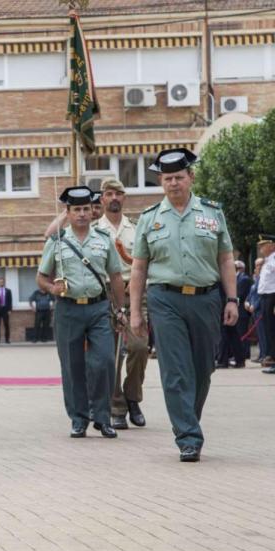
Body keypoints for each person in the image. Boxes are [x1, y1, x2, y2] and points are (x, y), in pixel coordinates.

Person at [129, 148, 238, 462]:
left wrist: (232, 299)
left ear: (190, 178)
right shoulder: (150, 219)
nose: (173, 183)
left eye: (178, 177)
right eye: (167, 179)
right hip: (165, 300)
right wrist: (137, 312)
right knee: (176, 371)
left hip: (206, 299)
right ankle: (188, 437)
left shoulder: (212, 212)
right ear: (161, 182)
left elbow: (226, 258)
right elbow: (138, 268)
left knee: (203, 369)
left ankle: (188, 419)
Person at [38, 186, 125, 439]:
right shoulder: (57, 242)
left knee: (105, 361)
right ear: (68, 212)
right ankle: (78, 419)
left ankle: (102, 416)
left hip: (98, 308)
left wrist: (121, 309)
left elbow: (116, 276)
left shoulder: (103, 238)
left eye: (86, 209)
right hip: (68, 309)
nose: (82, 214)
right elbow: (41, 278)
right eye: (77, 209)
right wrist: (52, 288)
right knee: (72, 366)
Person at [95, 179, 150, 430]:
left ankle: (132, 397)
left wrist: (134, 286)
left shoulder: (136, 229)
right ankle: (117, 406)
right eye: (109, 193)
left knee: (139, 347)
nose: (114, 197)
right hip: (104, 295)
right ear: (102, 199)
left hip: (133, 292)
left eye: (119, 193)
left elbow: (147, 261)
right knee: (111, 353)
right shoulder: (95, 230)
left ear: (124, 198)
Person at [217, 260, 252, 369]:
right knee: (232, 334)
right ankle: (239, 359)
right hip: (227, 303)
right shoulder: (228, 276)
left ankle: (223, 360)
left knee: (224, 334)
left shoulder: (221, 275)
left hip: (223, 304)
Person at [257, 234, 275, 373]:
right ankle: (272, 359)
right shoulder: (267, 260)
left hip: (272, 297)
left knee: (273, 330)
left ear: (272, 245)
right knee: (269, 330)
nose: (260, 247)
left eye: (263, 244)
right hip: (265, 297)